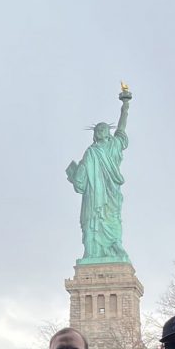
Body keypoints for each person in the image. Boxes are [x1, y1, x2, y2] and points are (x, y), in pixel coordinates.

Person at [65, 86, 132, 262]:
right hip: (94, 196)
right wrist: (75, 176)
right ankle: (92, 253)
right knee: (92, 220)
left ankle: (114, 246)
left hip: (110, 193)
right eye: (98, 129)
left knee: (111, 218)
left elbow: (122, 127)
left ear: (108, 133)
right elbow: (80, 181)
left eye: (103, 129)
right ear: (95, 135)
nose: (101, 131)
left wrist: (125, 105)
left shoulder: (114, 145)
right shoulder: (91, 152)